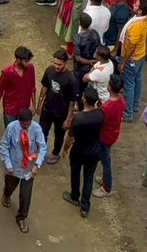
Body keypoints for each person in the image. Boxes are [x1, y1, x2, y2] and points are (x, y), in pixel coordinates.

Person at [0, 107, 47, 233]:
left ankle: (21, 217)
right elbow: (4, 146)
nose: (26, 126)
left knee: (26, 195)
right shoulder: (11, 127)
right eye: (24, 124)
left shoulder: (36, 129)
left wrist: (37, 165)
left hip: (29, 169)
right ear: (19, 121)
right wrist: (8, 165)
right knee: (10, 186)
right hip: (13, 167)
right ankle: (6, 194)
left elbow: (42, 147)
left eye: (28, 123)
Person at [62, 85, 104, 217]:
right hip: (94, 151)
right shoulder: (100, 115)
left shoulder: (78, 118)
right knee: (89, 178)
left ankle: (75, 196)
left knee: (75, 173)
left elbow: (70, 137)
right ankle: (85, 206)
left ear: (84, 99)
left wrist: (65, 149)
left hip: (79, 151)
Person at [37, 48, 77, 165]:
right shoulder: (49, 71)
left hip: (61, 113)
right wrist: (39, 104)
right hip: (47, 108)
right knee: (42, 131)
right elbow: (44, 87)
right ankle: (41, 151)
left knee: (59, 135)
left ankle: (55, 153)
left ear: (65, 63)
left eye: (59, 64)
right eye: (54, 63)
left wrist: (69, 119)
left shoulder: (71, 80)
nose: (56, 66)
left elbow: (72, 101)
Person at [119, 0, 147, 121]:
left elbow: (131, 47)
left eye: (136, 4)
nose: (133, 4)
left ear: (139, 11)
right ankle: (135, 105)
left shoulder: (135, 26)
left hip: (132, 58)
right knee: (138, 80)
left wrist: (123, 61)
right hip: (141, 55)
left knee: (129, 85)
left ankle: (128, 114)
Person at [93, 73, 125, 198]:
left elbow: (100, 121)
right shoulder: (121, 100)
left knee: (105, 160)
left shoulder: (107, 107)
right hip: (114, 132)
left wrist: (97, 109)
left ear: (110, 88)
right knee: (105, 157)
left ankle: (107, 187)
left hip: (105, 135)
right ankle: (106, 179)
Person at [0, 46, 36, 128]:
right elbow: (0, 91)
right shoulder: (7, 72)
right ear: (18, 60)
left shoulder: (31, 69)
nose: (28, 64)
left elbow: (32, 87)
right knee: (11, 134)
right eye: (26, 61)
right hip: (10, 110)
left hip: (24, 108)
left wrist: (34, 106)